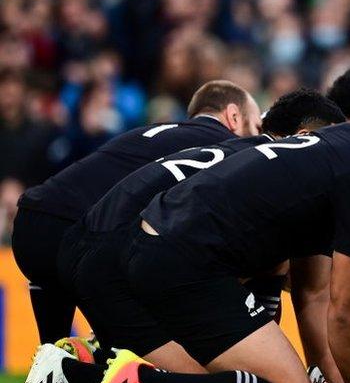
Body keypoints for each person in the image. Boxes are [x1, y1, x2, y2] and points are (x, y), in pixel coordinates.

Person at [80, 74, 350, 383]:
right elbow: (346, 311)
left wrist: (334, 382)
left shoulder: (338, 149)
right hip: (187, 260)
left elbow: (312, 295)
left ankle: (91, 375)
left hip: (159, 245)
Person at [17, 89, 346, 383]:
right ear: (304, 138)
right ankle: (90, 367)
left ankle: (77, 370)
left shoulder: (233, 149)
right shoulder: (278, 171)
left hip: (88, 240)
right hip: (123, 257)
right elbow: (294, 288)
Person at [12, 80, 261, 344]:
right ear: (234, 116)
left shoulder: (153, 132)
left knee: (55, 357)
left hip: (32, 222)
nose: (256, 135)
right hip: (78, 234)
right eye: (256, 127)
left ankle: (58, 368)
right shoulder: (224, 148)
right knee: (140, 345)